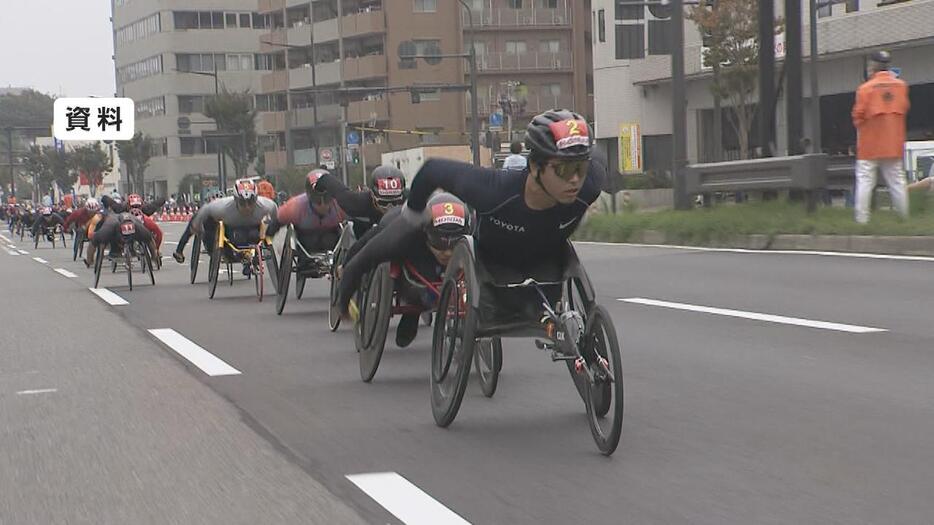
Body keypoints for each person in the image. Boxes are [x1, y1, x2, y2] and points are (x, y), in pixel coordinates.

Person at [342, 109, 605, 344]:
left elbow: (598, 154)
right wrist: (411, 214)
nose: (575, 180)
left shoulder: (590, 184)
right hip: (494, 266)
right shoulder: (495, 191)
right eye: (563, 170)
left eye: (581, 169)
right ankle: (414, 311)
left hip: (550, 261)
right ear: (534, 166)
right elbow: (433, 170)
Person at [337, 193, 471, 348]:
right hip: (398, 228)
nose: (447, 252)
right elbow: (360, 261)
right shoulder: (400, 235)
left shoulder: (471, 231)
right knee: (374, 243)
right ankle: (413, 311)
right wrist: (343, 303)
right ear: (425, 232)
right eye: (440, 245)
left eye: (453, 245)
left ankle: (417, 308)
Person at [852, 50, 910, 224]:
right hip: (893, 143)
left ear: (873, 66)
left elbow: (857, 116)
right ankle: (904, 218)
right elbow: (905, 108)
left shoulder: (865, 89)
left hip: (870, 144)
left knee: (865, 181)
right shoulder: (901, 86)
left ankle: (862, 220)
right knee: (897, 181)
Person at [188, 179, 277, 276]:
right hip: (232, 231)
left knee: (256, 234)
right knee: (234, 236)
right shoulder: (222, 207)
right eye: (243, 203)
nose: (247, 207)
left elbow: (275, 212)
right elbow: (205, 209)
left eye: (250, 203)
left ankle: (250, 260)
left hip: (252, 229)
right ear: (236, 201)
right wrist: (196, 225)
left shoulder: (266, 205)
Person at [268, 170, 345, 258]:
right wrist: (268, 239)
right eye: (317, 200)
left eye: (327, 199)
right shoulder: (296, 206)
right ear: (309, 196)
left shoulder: (341, 204)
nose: (323, 205)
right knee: (309, 242)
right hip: (306, 241)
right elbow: (276, 223)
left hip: (332, 238)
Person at [315, 165, 406, 237]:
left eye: (395, 203)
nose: (389, 209)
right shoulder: (357, 203)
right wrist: (321, 182)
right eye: (384, 203)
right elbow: (338, 190)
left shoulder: (412, 200)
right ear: (372, 196)